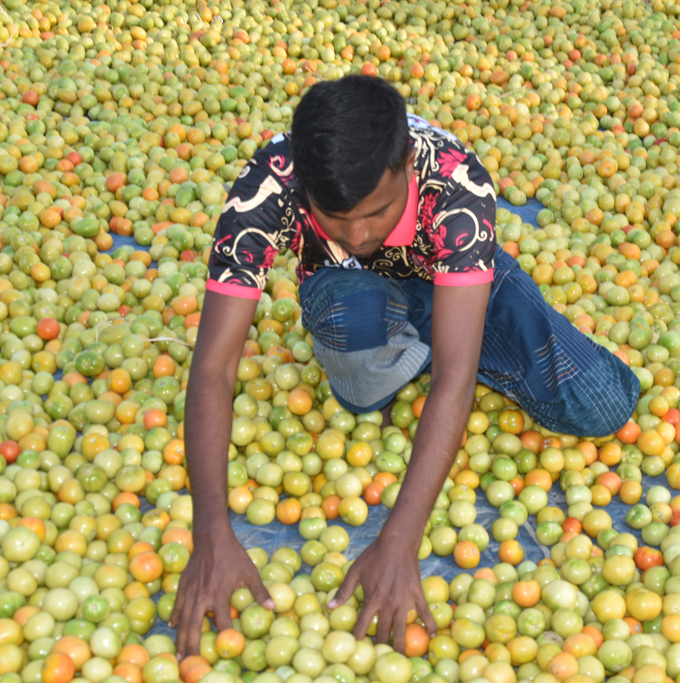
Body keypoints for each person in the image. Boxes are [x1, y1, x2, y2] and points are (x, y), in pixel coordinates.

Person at [169, 75, 641, 657]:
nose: (359, 235)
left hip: (453, 274)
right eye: (335, 218)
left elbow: (453, 380)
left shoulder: (456, 182)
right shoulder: (268, 184)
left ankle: (451, 331)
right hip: (351, 293)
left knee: (602, 405)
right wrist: (211, 531)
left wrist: (399, 540)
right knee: (359, 361)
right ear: (304, 185)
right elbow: (213, 367)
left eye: (377, 212)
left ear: (408, 167)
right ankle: (423, 339)